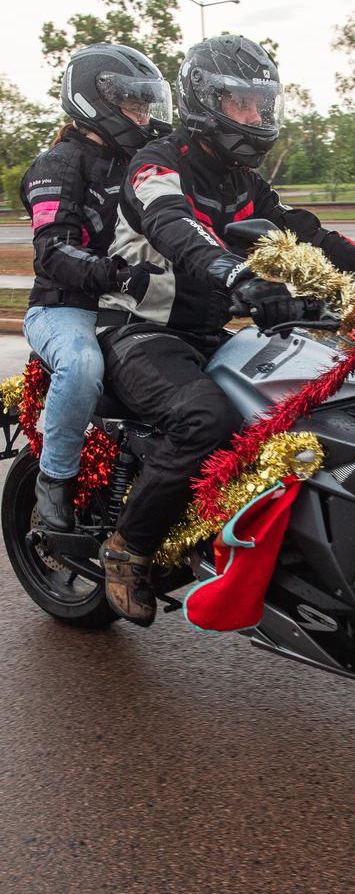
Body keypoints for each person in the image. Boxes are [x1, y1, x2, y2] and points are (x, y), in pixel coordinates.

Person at [96, 34, 355, 627]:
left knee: (306, 396)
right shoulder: (157, 164)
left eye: (262, 104)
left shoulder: (242, 181)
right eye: (242, 104)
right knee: (206, 417)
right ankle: (125, 550)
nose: (256, 117)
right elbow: (173, 225)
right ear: (204, 101)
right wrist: (234, 274)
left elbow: (302, 233)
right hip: (138, 330)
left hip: (212, 334)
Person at [21, 43, 173, 532]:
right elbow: (54, 252)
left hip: (128, 303)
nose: (144, 114)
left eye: (147, 103)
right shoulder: (59, 163)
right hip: (65, 308)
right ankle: (55, 480)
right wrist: (120, 274)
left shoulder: (139, 158)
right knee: (82, 365)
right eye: (133, 104)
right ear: (95, 102)